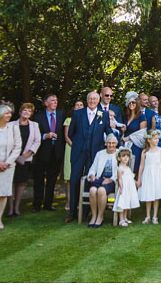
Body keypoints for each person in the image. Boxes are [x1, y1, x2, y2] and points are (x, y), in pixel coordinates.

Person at [65, 91, 112, 223]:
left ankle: (85, 213)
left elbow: (108, 132)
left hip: (94, 155)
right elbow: (71, 132)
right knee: (74, 181)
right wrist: (79, 143)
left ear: (98, 100)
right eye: (90, 99)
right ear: (87, 100)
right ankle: (72, 212)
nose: (92, 101)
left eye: (95, 99)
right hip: (78, 153)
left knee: (89, 182)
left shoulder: (104, 114)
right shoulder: (78, 113)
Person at [33, 93, 65, 213]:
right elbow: (34, 135)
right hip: (42, 152)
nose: (55, 102)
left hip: (56, 152)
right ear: (46, 103)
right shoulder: (38, 117)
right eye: (52, 100)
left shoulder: (61, 114)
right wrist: (45, 136)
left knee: (52, 180)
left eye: (56, 100)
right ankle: (37, 205)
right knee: (39, 179)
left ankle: (48, 204)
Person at [7, 102, 41, 217]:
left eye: (29, 111)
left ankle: (17, 207)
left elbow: (37, 141)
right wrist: (15, 156)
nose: (27, 112)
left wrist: (25, 156)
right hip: (11, 158)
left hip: (26, 158)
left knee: (21, 183)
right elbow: (7, 141)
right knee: (11, 183)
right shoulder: (11, 125)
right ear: (20, 111)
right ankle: (10, 208)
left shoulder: (34, 125)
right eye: (25, 110)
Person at [85, 134, 119, 228]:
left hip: (112, 181)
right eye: (109, 143)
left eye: (113, 143)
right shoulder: (100, 153)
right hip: (100, 179)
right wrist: (92, 175)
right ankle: (94, 216)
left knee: (101, 191)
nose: (111, 145)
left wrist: (110, 179)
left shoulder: (119, 153)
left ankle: (100, 216)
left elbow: (121, 170)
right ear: (106, 143)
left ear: (116, 143)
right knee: (92, 190)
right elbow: (93, 168)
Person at [137, 129, 161, 224]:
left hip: (157, 173)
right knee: (148, 194)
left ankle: (155, 216)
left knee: (156, 195)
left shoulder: (160, 150)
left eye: (157, 138)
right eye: (155, 139)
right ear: (149, 140)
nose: (157, 140)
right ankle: (148, 216)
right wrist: (139, 178)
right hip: (148, 174)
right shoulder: (145, 152)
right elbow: (141, 165)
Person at [62, 100, 83, 213]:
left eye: (81, 105)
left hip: (82, 151)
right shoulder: (69, 120)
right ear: (73, 108)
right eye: (77, 105)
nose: (79, 107)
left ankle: (78, 202)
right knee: (70, 178)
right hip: (71, 150)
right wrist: (76, 147)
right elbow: (67, 137)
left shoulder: (85, 120)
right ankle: (69, 202)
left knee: (80, 178)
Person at [121, 92, 148, 173]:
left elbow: (142, 134)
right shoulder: (126, 116)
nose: (131, 104)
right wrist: (123, 131)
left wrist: (128, 138)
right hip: (125, 145)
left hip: (135, 146)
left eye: (133, 102)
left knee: (133, 168)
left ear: (137, 103)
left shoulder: (141, 116)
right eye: (130, 102)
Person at [113, 148, 140, 227]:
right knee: (122, 203)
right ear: (119, 158)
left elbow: (130, 178)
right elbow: (120, 179)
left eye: (127, 156)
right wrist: (121, 188)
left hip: (129, 188)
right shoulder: (120, 169)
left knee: (127, 203)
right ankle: (121, 219)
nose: (125, 158)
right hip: (124, 188)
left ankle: (125, 217)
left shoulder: (128, 168)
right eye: (123, 156)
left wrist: (136, 183)